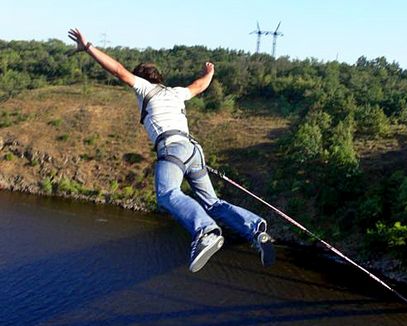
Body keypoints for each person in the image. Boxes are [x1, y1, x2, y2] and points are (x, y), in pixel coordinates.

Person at [68, 28, 275, 272]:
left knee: (167, 193)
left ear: (143, 80)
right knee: (213, 202)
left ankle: (206, 231)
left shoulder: (144, 88)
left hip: (172, 149)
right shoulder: (175, 93)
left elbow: (118, 71)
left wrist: (88, 47)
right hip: (193, 151)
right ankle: (255, 229)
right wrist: (210, 73)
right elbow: (199, 87)